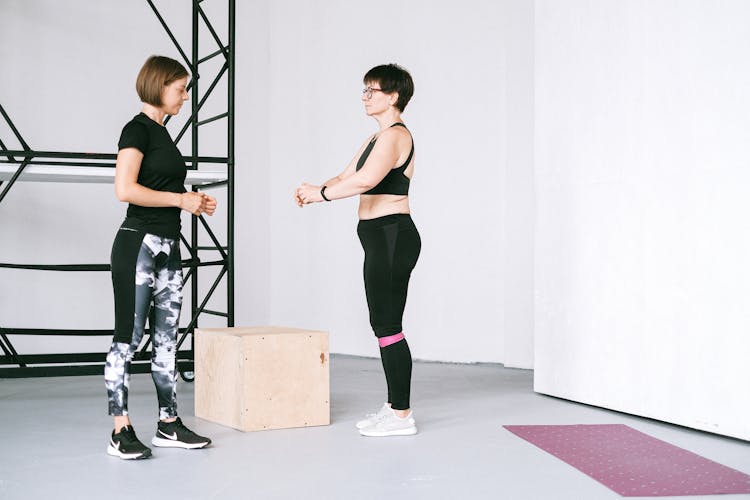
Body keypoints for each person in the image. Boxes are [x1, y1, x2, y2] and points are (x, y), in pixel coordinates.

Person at [295, 63, 421, 437]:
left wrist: (321, 196)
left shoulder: (397, 136)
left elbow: (367, 180)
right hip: (378, 236)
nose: (365, 97)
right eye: (364, 90)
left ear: (393, 96)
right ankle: (394, 407)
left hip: (392, 235)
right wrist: (315, 187)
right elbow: (347, 175)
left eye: (373, 91)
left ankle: (402, 416)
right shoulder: (374, 139)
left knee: (388, 325)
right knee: (381, 323)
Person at [105, 55, 216, 459]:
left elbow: (164, 189)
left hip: (169, 245)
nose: (185, 97)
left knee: (167, 339)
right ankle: (120, 430)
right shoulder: (136, 129)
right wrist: (179, 199)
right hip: (139, 245)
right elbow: (125, 189)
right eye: (180, 89)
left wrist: (193, 202)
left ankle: (168, 423)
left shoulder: (163, 133)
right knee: (128, 339)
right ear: (158, 86)